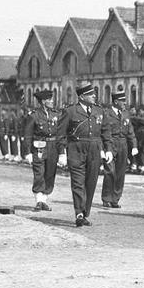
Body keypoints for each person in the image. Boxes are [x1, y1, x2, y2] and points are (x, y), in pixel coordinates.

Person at [52, 83, 113, 227]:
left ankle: (85, 212)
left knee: (91, 182)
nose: (94, 96)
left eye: (94, 94)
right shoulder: (70, 111)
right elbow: (60, 134)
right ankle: (79, 213)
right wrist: (61, 152)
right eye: (91, 94)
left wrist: (108, 149)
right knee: (78, 182)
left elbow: (106, 132)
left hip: (94, 149)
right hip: (76, 149)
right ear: (81, 96)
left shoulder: (99, 111)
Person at [23, 88, 62, 211]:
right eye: (49, 99)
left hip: (53, 147)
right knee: (39, 173)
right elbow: (28, 135)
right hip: (39, 148)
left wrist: (62, 152)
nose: (52, 101)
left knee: (50, 173)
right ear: (43, 101)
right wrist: (28, 152)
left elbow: (61, 135)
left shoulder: (56, 114)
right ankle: (39, 200)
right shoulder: (34, 115)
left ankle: (44, 200)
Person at [101, 86, 137, 208]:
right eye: (123, 101)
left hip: (123, 144)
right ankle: (106, 197)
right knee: (110, 171)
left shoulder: (126, 113)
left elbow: (130, 130)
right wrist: (104, 148)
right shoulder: (106, 113)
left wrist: (134, 145)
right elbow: (103, 131)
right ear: (116, 102)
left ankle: (115, 199)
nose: (125, 103)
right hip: (110, 144)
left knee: (120, 172)